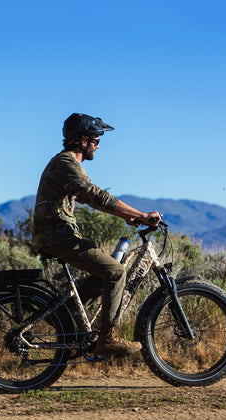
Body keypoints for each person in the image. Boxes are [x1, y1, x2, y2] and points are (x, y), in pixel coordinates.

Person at [32, 113, 161, 356]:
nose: (98, 145)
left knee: (105, 270)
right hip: (57, 236)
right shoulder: (65, 164)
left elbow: (92, 198)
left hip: (57, 234)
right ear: (83, 141)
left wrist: (128, 215)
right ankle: (108, 338)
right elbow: (95, 196)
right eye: (96, 139)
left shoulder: (66, 164)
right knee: (115, 272)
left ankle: (66, 314)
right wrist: (141, 215)